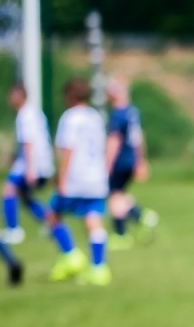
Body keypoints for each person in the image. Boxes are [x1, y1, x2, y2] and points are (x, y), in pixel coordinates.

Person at [45, 78, 111, 286]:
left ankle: (71, 255)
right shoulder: (95, 117)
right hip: (96, 178)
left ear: (70, 96)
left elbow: (69, 149)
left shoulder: (71, 118)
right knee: (93, 221)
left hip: (75, 178)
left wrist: (61, 178)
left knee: (52, 216)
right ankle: (99, 268)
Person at [104, 79, 157, 249]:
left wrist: (107, 164)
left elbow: (114, 141)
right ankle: (142, 217)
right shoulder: (133, 112)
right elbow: (138, 138)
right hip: (131, 158)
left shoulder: (117, 114)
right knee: (119, 194)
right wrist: (140, 160)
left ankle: (121, 235)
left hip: (120, 160)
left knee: (114, 196)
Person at [2, 83, 54, 246]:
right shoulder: (31, 112)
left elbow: (29, 142)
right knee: (24, 196)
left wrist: (30, 168)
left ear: (18, 96)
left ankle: (13, 229)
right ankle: (51, 223)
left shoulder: (26, 115)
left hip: (32, 163)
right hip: (37, 161)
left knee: (8, 190)